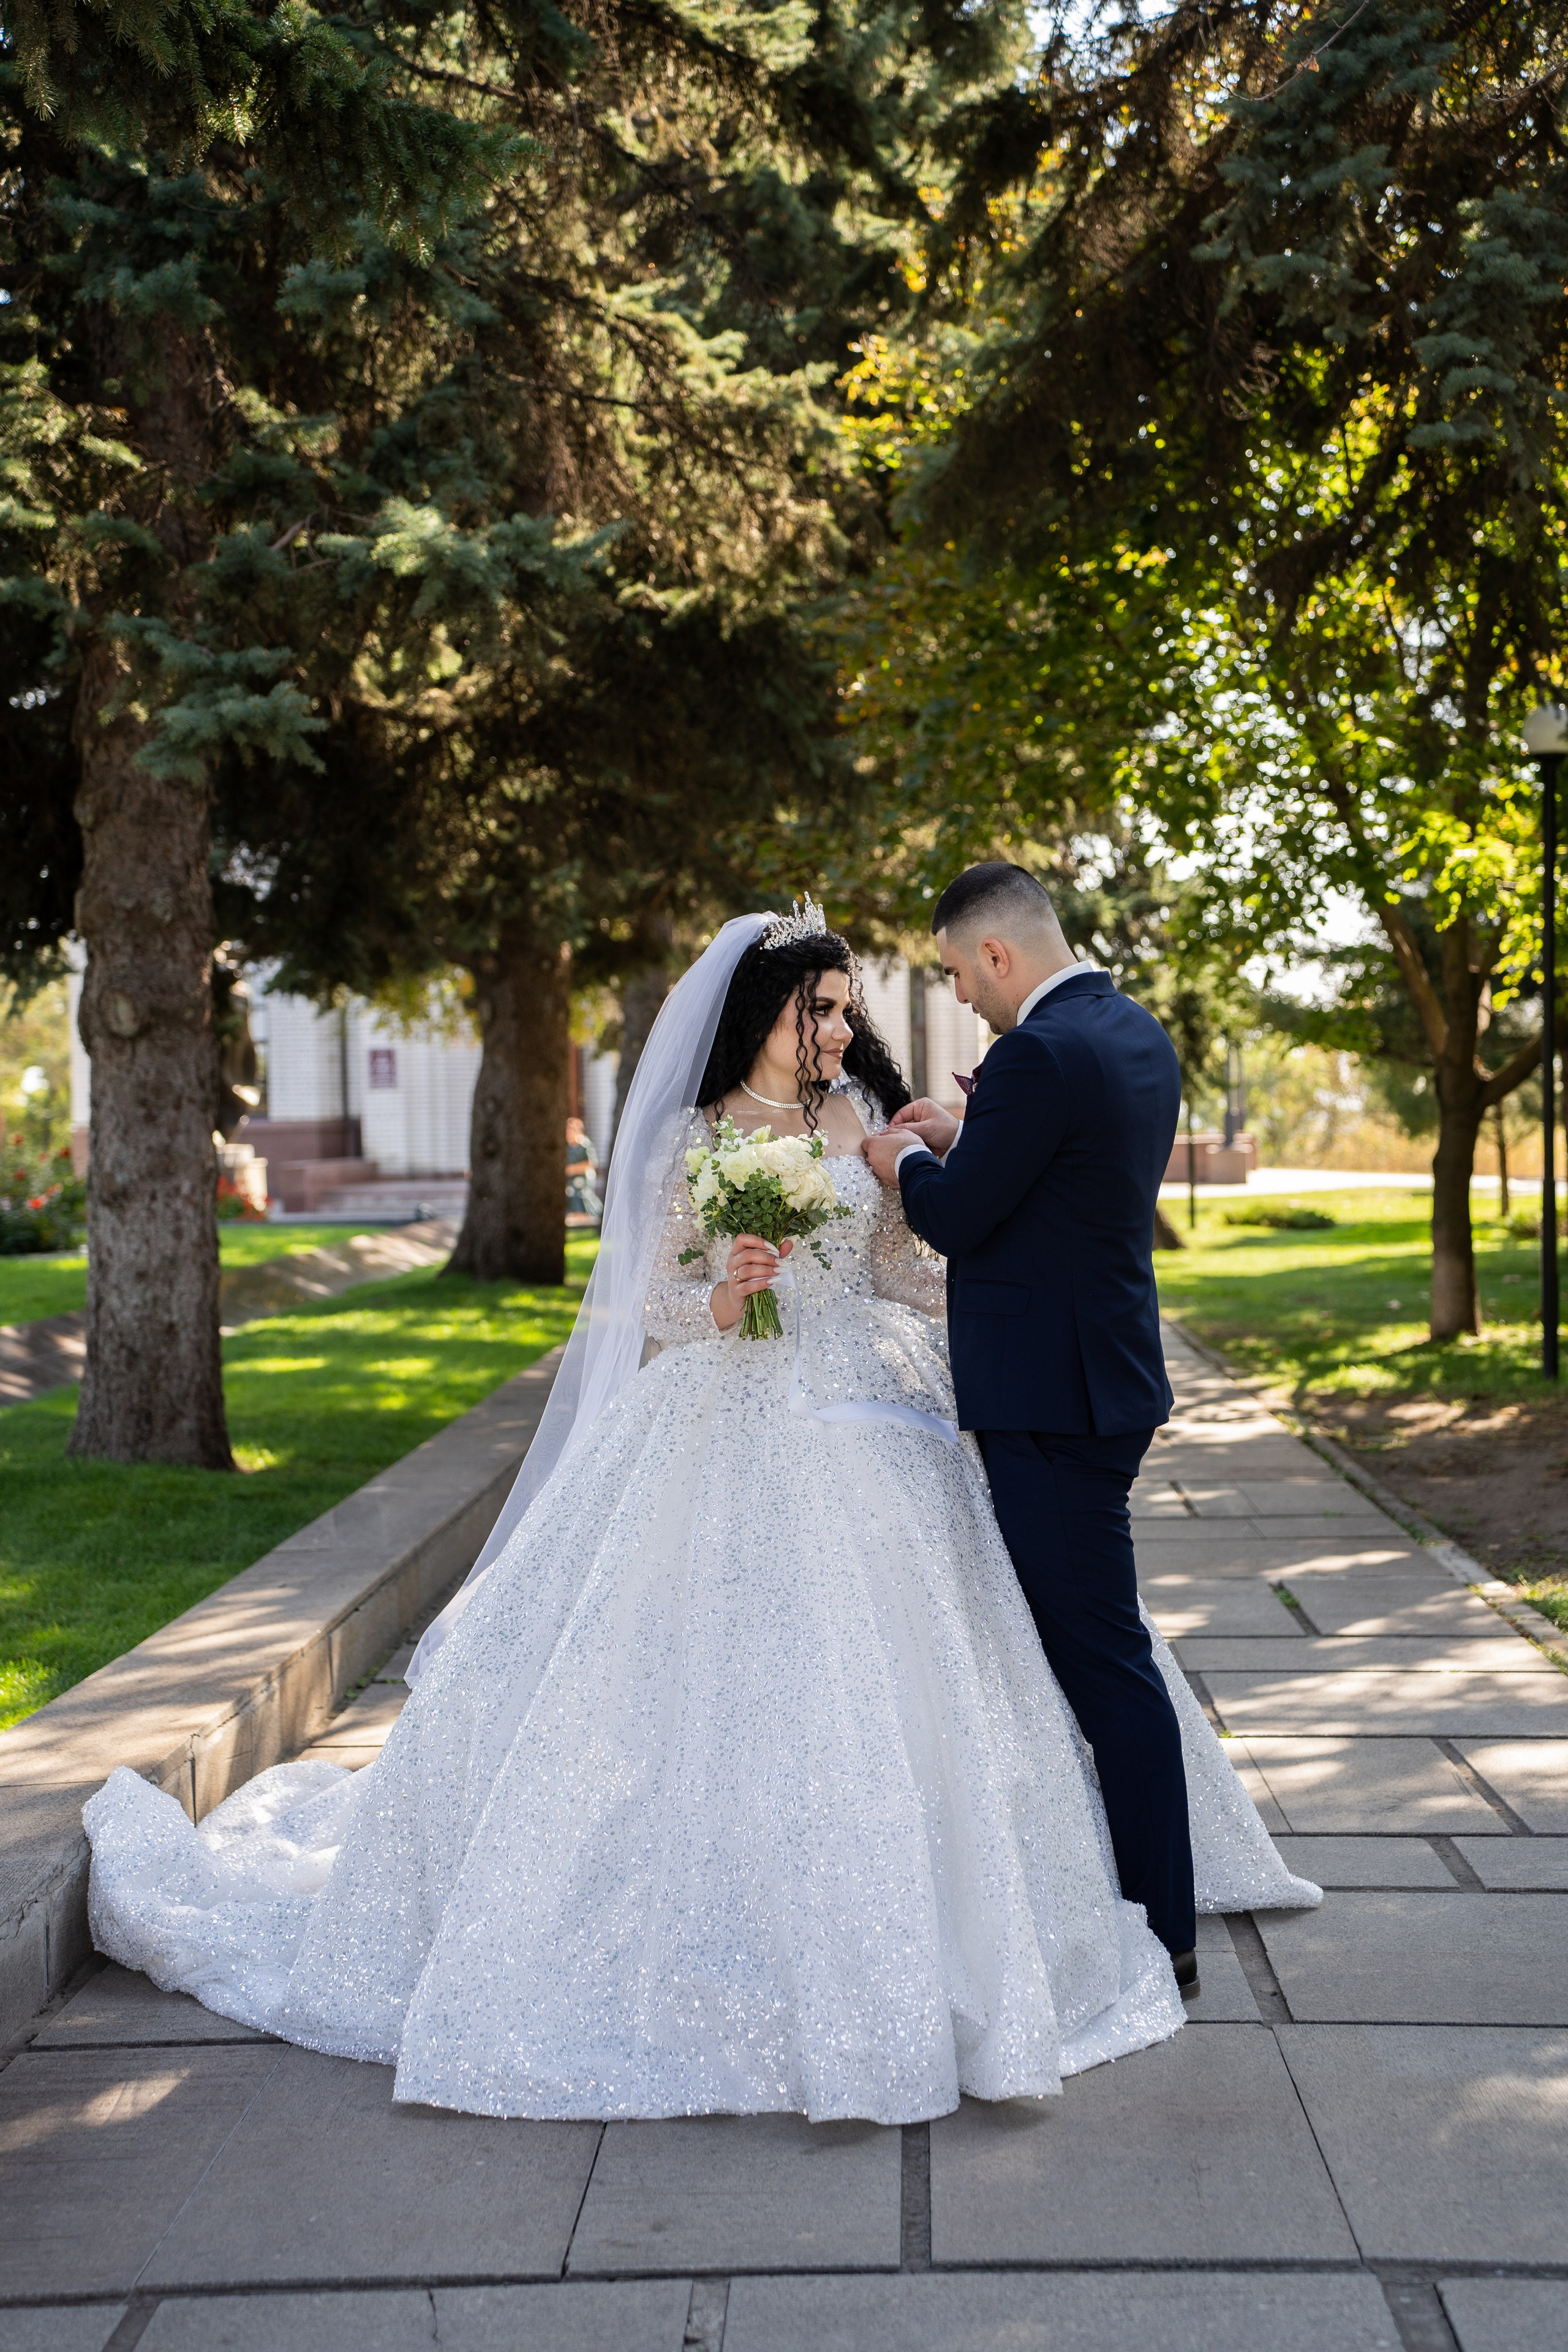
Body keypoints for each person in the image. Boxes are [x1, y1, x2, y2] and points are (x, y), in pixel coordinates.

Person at [83, 899, 1317, 2125]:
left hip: (867, 1406)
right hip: (725, 1410)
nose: (839, 1028)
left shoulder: (859, 1120)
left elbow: (896, 1270)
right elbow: (659, 1302)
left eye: (846, 1008)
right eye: (819, 1007)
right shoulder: (691, 1132)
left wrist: (982, 1286)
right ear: (762, 1014)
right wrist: (727, 1292)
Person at [866, 862, 1197, 1984]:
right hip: (1106, 1380)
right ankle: (1128, 1891)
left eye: (960, 971)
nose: (961, 994)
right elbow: (1068, 1186)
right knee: (1103, 1651)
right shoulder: (1134, 1032)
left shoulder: (1037, 1054)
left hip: (1050, 1403)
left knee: (1103, 1665)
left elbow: (959, 1224)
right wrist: (975, 1131)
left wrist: (905, 1156)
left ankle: (1163, 1930)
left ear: (997, 955)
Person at [564, 1115, 602, 1223]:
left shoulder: (584, 1145)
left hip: (582, 1180)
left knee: (582, 1198)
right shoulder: (568, 1147)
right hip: (571, 1181)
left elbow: (592, 1163)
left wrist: (572, 1169)